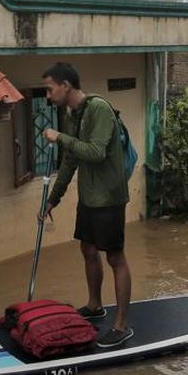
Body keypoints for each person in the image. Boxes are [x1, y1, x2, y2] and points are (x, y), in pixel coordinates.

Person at [39, 62, 135, 349]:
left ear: (66, 85)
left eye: (49, 88)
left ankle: (121, 325)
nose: (47, 95)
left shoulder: (99, 109)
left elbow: (95, 152)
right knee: (87, 249)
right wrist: (52, 199)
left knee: (115, 257)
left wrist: (60, 137)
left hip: (109, 197)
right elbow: (71, 160)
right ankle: (95, 305)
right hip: (89, 198)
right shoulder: (74, 115)